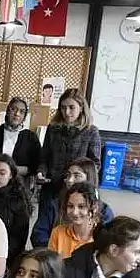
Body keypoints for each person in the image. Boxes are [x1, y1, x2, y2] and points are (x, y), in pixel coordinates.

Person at [34, 89, 102, 247]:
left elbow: (94, 164)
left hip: (79, 187)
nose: (67, 112)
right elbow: (45, 156)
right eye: (63, 108)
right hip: (52, 186)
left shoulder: (91, 131)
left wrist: (80, 178)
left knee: (75, 221)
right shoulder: (53, 128)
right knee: (47, 224)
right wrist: (41, 172)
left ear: (81, 108)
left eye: (71, 107)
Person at [0, 97, 41, 182]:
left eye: (22, 111)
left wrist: (12, 170)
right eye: (13, 109)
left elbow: (36, 165)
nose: (17, 114)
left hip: (19, 183)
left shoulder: (31, 137)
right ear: (7, 111)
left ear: (24, 116)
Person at [0, 154, 33, 266]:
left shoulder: (19, 200)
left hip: (5, 255)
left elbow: (19, 239)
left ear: (11, 175)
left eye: (2, 173)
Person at [47, 183, 101, 259]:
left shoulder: (101, 237)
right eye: (70, 206)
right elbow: (51, 264)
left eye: (81, 206)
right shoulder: (57, 233)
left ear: (95, 208)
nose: (75, 212)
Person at [65, 157, 115, 223]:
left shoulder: (104, 212)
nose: (69, 180)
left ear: (89, 178)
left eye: (77, 176)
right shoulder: (56, 205)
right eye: (68, 175)